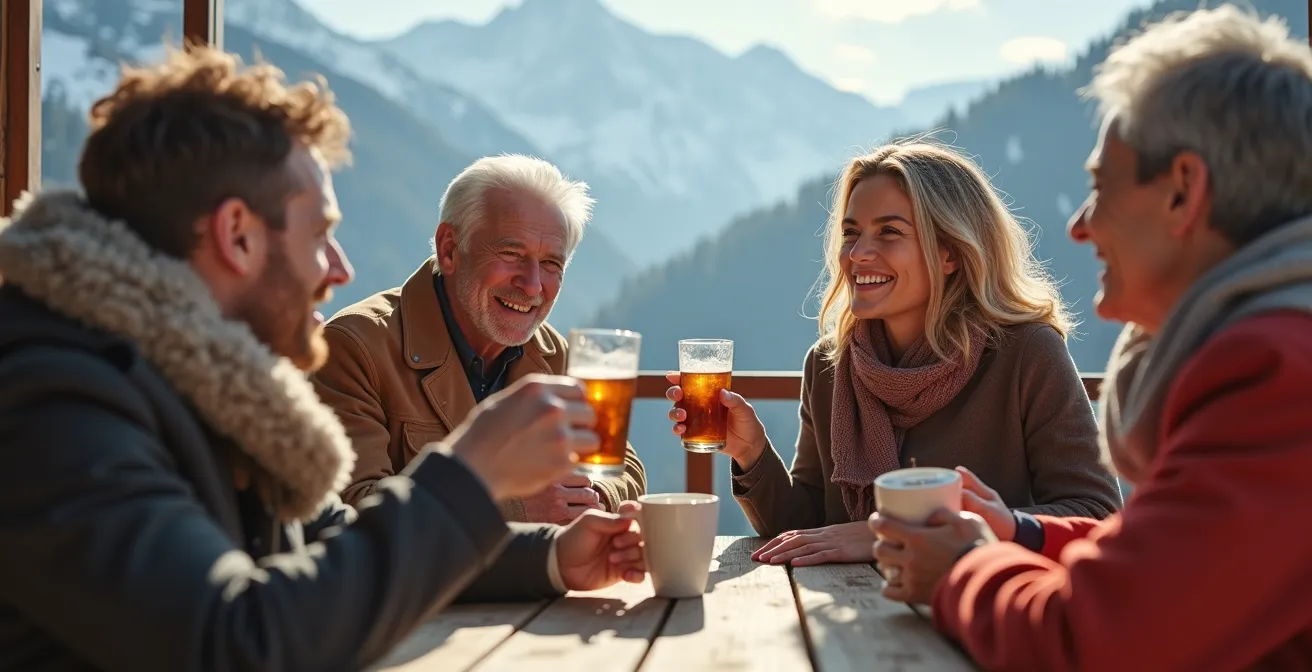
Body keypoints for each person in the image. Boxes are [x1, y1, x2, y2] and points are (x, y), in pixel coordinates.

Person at [0, 45, 645, 672]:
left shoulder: (206, 388)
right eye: (320, 235)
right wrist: (470, 476)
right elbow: (233, 640)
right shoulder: (53, 400)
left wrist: (556, 557)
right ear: (236, 235)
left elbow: (334, 544)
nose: (339, 269)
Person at [870, 6, 1312, 670]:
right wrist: (1018, 533)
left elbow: (1093, 640)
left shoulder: (1276, 375)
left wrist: (964, 566)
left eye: (1100, 187)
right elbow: (1171, 560)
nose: (1080, 225)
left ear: (1182, 193)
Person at [666, 140, 1122, 566]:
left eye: (889, 232)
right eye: (851, 232)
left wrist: (885, 533)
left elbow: (1095, 515)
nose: (859, 253)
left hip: (981, 619)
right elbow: (805, 530)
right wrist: (753, 453)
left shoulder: (1026, 354)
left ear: (950, 252)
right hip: (853, 628)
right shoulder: (829, 366)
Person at [313, 155, 646, 525]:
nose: (533, 284)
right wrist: (514, 509)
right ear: (449, 249)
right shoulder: (354, 346)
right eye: (511, 254)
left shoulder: (555, 356)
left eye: (552, 264)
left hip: (536, 580)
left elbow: (624, 467)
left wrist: (591, 495)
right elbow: (351, 511)